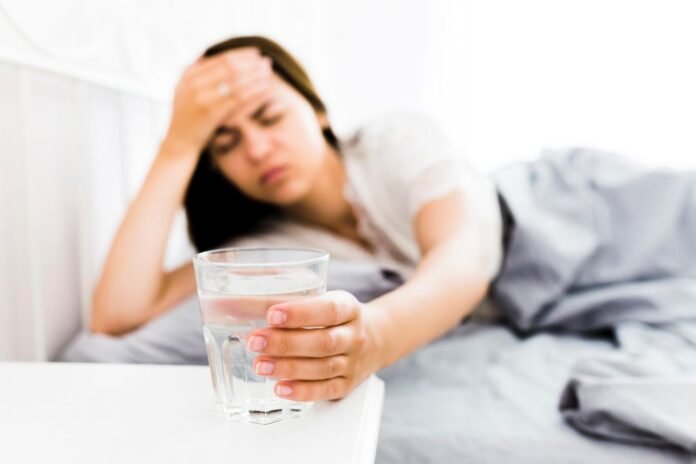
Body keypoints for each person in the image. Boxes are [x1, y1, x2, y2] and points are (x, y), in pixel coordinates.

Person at [90, 35, 696, 404]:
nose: (257, 148)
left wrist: (374, 338)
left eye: (269, 117)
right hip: (533, 302)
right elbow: (116, 316)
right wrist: (178, 146)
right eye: (224, 144)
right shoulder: (269, 245)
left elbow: (464, 257)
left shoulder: (393, 140)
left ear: (317, 109)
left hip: (565, 213)